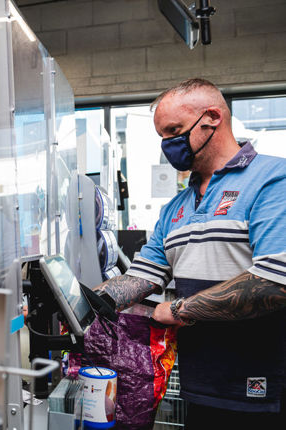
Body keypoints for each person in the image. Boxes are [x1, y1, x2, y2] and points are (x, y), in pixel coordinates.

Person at [93, 78, 286, 428]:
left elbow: (274, 283)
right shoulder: (176, 207)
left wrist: (179, 309)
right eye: (163, 136)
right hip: (200, 383)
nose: (168, 145)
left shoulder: (274, 179)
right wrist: (85, 301)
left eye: (174, 131)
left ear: (212, 118)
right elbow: (143, 275)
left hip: (263, 385)